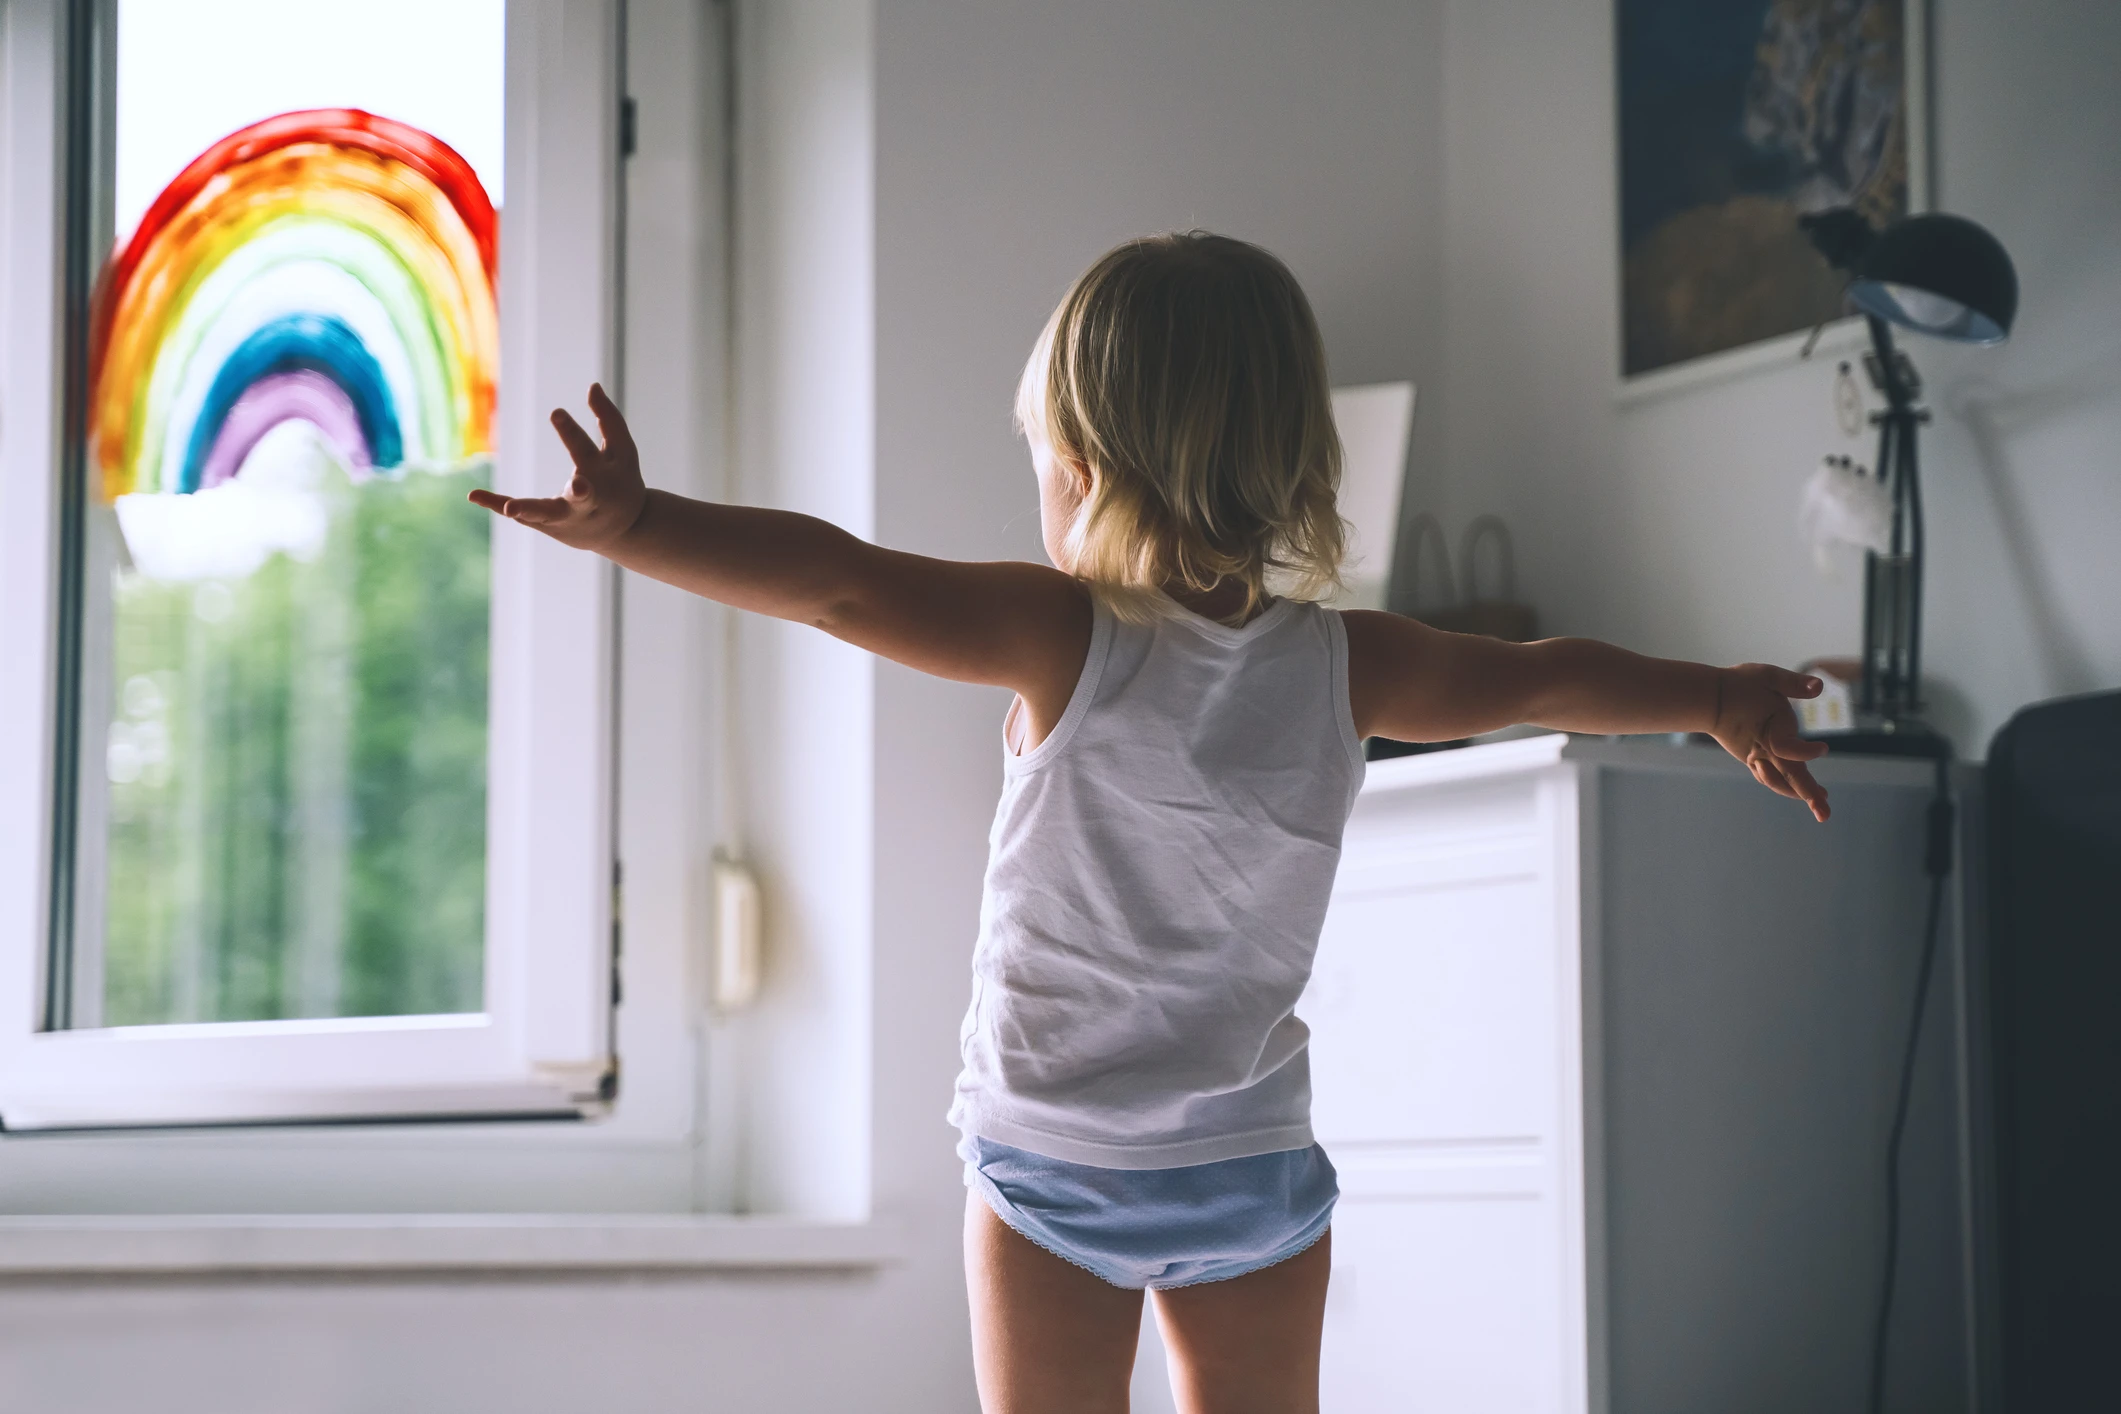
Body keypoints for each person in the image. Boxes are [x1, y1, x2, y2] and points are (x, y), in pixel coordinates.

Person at [473, 231, 1830, 1414]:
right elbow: (1539, 679)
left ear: (1083, 464)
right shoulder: (1348, 662)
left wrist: (640, 523)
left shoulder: (1065, 631)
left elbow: (838, 586)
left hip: (1054, 1168)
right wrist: (1715, 696)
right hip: (1253, 1172)